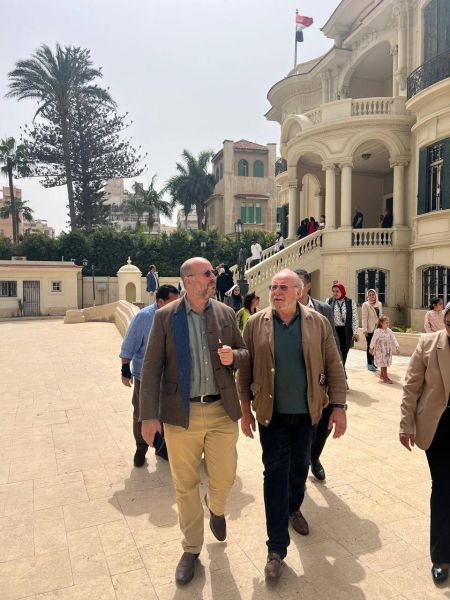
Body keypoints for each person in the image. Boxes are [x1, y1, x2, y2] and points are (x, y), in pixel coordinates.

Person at [139, 257, 248, 586]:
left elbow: (244, 353)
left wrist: (234, 356)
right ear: (188, 280)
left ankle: (215, 506)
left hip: (220, 411)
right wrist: (148, 416)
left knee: (225, 476)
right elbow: (151, 366)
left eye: (213, 273)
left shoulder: (226, 313)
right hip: (180, 415)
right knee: (185, 485)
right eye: (207, 273)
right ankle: (190, 548)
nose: (214, 277)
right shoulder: (165, 317)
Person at [237, 269, 347, 580]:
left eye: (283, 287)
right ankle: (276, 549)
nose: (276, 292)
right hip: (270, 415)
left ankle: (293, 507)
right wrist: (245, 409)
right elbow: (244, 370)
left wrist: (339, 406)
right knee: (274, 474)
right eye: (273, 287)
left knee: (300, 466)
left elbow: (334, 365)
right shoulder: (255, 323)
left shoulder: (318, 322)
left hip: (308, 413)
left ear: (299, 291)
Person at [399, 301, 450, 585]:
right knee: (443, 488)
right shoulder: (429, 344)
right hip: (439, 428)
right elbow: (411, 387)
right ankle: (441, 556)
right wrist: (406, 424)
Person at [120, 285, 179, 466]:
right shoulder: (144, 317)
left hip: (169, 377)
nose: (177, 305)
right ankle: (141, 448)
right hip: (144, 377)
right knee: (142, 414)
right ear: (160, 302)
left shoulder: (177, 316)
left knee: (167, 414)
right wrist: (125, 370)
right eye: (173, 302)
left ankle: (162, 447)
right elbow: (129, 345)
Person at [296, 269, 341, 487]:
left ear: (308, 286)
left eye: (298, 284)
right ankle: (301, 465)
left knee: (324, 425)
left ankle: (314, 457)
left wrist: (338, 378)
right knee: (303, 427)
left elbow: (334, 345)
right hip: (298, 382)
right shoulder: (282, 311)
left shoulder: (324, 310)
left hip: (322, 381)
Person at [326, 283, 359, 367]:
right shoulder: (329, 301)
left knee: (344, 353)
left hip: (346, 332)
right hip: (333, 331)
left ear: (342, 291)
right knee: (335, 353)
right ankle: (340, 371)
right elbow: (325, 317)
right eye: (333, 291)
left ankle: (342, 369)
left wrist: (355, 332)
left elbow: (354, 318)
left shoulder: (350, 302)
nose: (335, 293)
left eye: (337, 291)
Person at [369, 315, 400, 384]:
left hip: (387, 350)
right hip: (380, 350)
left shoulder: (389, 331)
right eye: (386, 322)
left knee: (384, 362)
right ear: (381, 323)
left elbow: (393, 338)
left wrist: (397, 346)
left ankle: (382, 375)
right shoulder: (377, 331)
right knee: (383, 363)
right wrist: (371, 348)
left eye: (388, 322)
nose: (388, 324)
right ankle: (385, 377)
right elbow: (373, 340)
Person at [362, 289, 383, 371]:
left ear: (375, 295)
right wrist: (365, 329)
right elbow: (364, 318)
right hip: (369, 329)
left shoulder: (379, 304)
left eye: (373, 294)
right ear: (368, 296)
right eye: (369, 295)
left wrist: (381, 327)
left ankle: (373, 362)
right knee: (370, 346)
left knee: (376, 346)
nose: (371, 296)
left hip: (377, 329)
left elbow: (380, 316)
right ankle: (369, 364)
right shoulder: (365, 305)